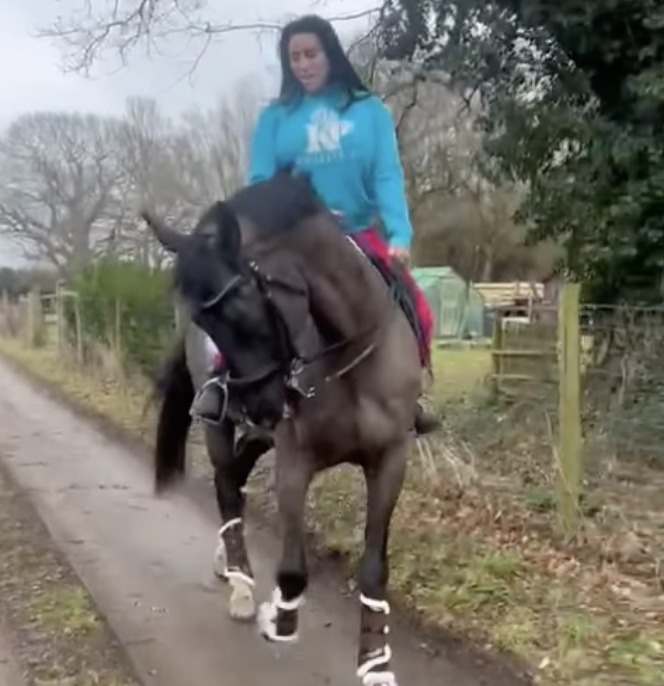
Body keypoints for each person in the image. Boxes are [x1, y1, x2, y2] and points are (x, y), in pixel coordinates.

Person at [192, 13, 440, 434]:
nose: (303, 64)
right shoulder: (276, 118)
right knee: (244, 303)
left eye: (311, 54)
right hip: (292, 239)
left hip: (356, 233)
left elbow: (386, 175)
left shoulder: (370, 112)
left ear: (330, 54)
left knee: (417, 305)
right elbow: (261, 184)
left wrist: (399, 233)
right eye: (294, 58)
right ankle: (222, 381)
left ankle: (411, 395)